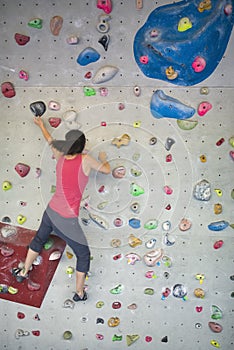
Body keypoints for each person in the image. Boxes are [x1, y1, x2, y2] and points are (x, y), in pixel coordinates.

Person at [12, 117, 111, 302]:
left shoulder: (60, 155)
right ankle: (80, 293)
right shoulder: (86, 159)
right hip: (66, 220)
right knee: (83, 255)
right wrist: (104, 158)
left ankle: (24, 271)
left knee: (39, 239)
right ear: (81, 147)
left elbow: (50, 140)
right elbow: (106, 170)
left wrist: (41, 125)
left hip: (50, 211)